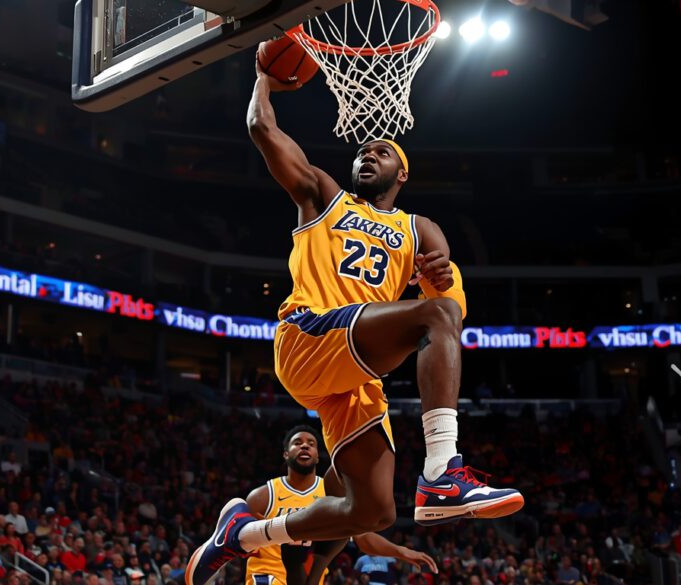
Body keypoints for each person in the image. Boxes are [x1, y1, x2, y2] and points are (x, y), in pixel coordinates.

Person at [185, 46, 524, 585]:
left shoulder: (420, 229)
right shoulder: (324, 196)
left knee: (372, 512)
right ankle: (441, 471)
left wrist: (440, 278)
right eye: (362, 150)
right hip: (309, 334)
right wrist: (264, 84)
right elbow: (260, 129)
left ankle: (243, 534)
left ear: (401, 172)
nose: (368, 154)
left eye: (382, 151)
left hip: (355, 375)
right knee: (430, 317)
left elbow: (453, 312)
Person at [244, 426, 437, 585]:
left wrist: (401, 551)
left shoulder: (329, 492)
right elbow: (239, 541)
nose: (304, 446)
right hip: (267, 576)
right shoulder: (262, 496)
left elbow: (362, 537)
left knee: (346, 524)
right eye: (298, 443)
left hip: (309, 577)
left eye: (311, 444)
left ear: (317, 456)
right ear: (286, 454)